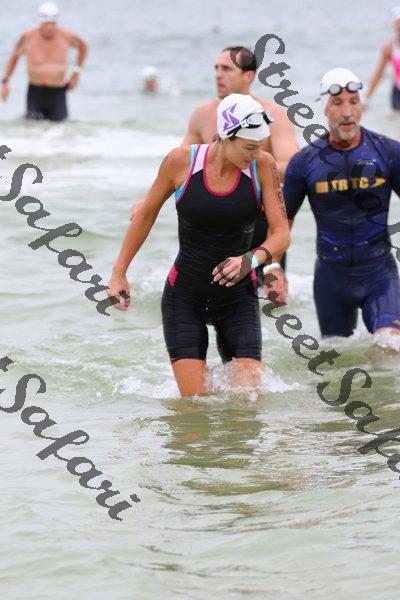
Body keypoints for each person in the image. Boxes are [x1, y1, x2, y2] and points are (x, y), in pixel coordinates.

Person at [108, 94, 290, 397]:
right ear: (226, 137)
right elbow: (145, 216)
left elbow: (281, 233)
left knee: (248, 402)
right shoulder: (180, 162)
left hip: (238, 298)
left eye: (260, 146)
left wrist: (250, 260)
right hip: (185, 298)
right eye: (249, 147)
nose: (256, 153)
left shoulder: (262, 165)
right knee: (194, 407)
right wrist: (119, 273)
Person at [129, 46, 298, 300]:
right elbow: (176, 167)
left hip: (258, 222)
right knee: (212, 294)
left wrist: (256, 163)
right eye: (216, 68)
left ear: (248, 76)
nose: (218, 74)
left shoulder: (272, 116)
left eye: (227, 69)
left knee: (269, 302)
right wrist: (146, 201)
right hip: (217, 220)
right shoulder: (203, 114)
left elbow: (292, 168)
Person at [280, 67, 400, 340]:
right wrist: (274, 269)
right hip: (330, 279)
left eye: (354, 102)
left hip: (379, 273)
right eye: (337, 103)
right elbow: (281, 224)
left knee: (390, 344)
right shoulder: (305, 162)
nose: (347, 112)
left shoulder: (388, 151)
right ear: (325, 108)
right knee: (338, 358)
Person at [1, 1, 88, 121]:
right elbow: (14, 57)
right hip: (35, 92)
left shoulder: (66, 36)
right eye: (47, 24)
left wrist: (76, 73)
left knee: (61, 128)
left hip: (58, 93)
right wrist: (5, 81)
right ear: (40, 22)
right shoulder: (28, 37)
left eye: (53, 24)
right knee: (32, 127)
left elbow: (83, 47)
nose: (50, 27)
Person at [366, 7, 400, 111]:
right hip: (398, 93)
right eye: (398, 22)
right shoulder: (389, 47)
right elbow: (379, 74)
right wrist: (365, 99)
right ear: (394, 24)